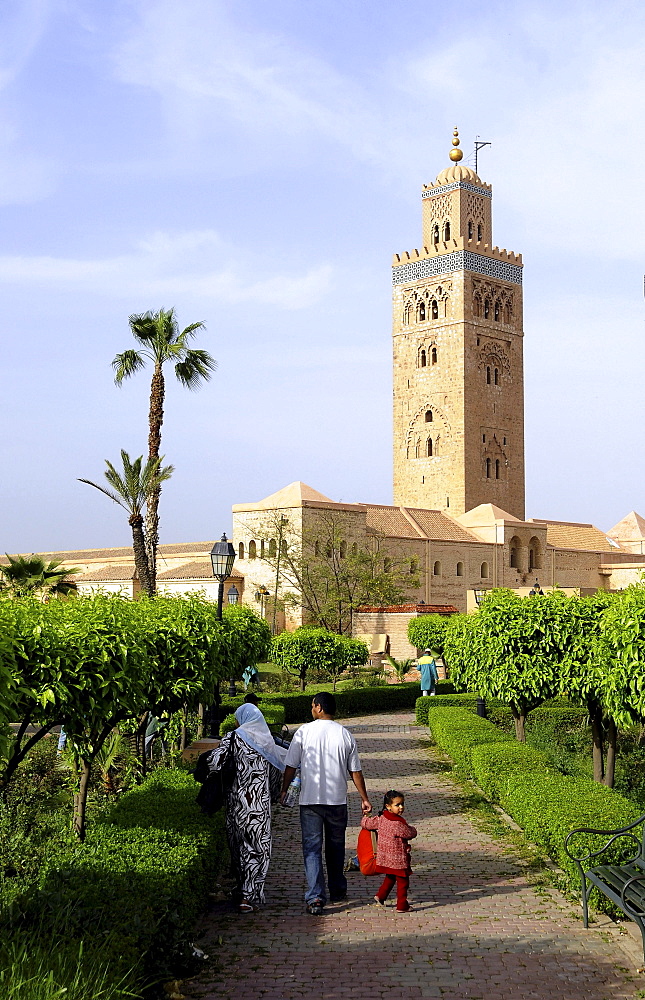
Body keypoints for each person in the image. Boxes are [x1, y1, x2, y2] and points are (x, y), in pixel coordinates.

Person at [280, 691, 371, 916]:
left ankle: (315, 897)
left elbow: (290, 765)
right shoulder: (345, 734)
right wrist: (364, 798)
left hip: (310, 801)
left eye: (313, 706)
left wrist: (283, 789)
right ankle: (338, 889)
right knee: (336, 847)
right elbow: (355, 771)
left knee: (312, 849)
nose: (311, 709)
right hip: (337, 800)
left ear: (319, 707)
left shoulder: (303, 732)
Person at [204, 702, 286, 912]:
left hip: (237, 803)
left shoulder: (233, 737)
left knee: (239, 847)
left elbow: (215, 763)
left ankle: (242, 889)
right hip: (259, 806)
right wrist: (275, 795)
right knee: (257, 848)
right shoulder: (267, 740)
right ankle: (248, 895)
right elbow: (276, 772)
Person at [361, 789, 417, 912]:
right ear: (388, 806)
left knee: (390, 876)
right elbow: (409, 833)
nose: (401, 807)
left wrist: (365, 816)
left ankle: (381, 896)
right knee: (403, 882)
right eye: (397, 805)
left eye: (402, 804)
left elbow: (367, 824)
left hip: (385, 858)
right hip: (398, 859)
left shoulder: (381, 818)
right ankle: (402, 905)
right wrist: (413, 829)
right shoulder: (397, 823)